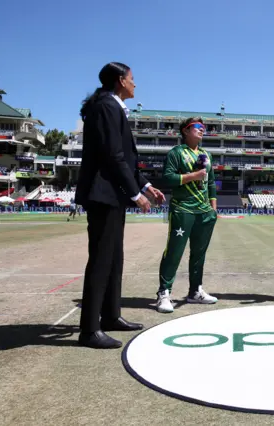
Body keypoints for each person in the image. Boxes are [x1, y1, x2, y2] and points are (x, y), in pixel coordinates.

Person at [75, 62, 165, 349]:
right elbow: (113, 156)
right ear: (119, 81)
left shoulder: (112, 107)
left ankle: (111, 315)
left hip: (112, 194)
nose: (135, 84)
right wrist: (134, 193)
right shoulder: (105, 106)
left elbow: (124, 158)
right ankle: (89, 330)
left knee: (114, 258)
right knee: (101, 260)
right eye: (132, 79)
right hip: (103, 193)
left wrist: (146, 186)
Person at [155, 117, 218, 313]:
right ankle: (164, 293)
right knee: (174, 252)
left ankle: (195, 291)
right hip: (182, 209)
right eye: (197, 127)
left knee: (199, 254)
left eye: (203, 128)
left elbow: (211, 183)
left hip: (204, 211)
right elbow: (168, 178)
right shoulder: (176, 153)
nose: (202, 130)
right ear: (185, 130)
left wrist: (213, 209)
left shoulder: (206, 155)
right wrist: (194, 176)